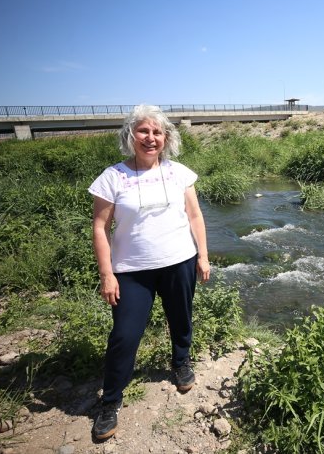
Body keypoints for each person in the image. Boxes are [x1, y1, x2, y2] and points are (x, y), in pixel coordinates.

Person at [87, 104, 210, 440]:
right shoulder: (113, 177)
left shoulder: (180, 173)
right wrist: (107, 274)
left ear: (166, 138)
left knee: (181, 318)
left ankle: (180, 361)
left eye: (157, 132)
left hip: (179, 260)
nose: (151, 138)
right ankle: (110, 401)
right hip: (131, 271)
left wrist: (203, 256)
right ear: (131, 135)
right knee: (125, 336)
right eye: (144, 131)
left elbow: (195, 216)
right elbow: (100, 227)